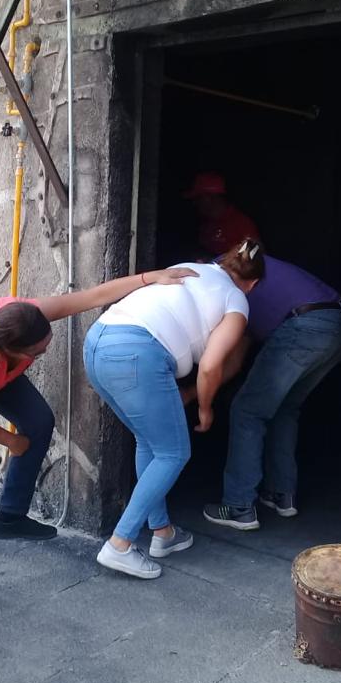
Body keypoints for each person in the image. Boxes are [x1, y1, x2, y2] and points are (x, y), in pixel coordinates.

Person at [0, 266, 198, 551]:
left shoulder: (30, 317)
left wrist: (150, 277)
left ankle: (11, 518)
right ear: (13, 350)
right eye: (37, 352)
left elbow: (93, 296)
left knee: (39, 421)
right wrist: (11, 440)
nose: (44, 351)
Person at [85, 239, 266, 579]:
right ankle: (120, 544)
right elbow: (211, 366)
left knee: (149, 442)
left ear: (224, 262)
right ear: (253, 283)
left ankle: (163, 532)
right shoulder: (236, 300)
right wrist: (206, 408)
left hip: (98, 343)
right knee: (174, 452)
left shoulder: (191, 268)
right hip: (140, 354)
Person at [202, 255, 341, 530]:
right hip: (339, 325)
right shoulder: (245, 270)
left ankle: (238, 506)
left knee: (247, 411)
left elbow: (224, 360)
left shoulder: (220, 277)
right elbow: (235, 361)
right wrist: (195, 393)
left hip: (303, 326)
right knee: (285, 407)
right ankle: (281, 493)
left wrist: (196, 396)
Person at [183, 171, 260, 258]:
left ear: (210, 197)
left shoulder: (241, 223)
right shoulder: (205, 224)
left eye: (198, 198)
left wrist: (230, 261)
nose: (195, 203)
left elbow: (255, 255)